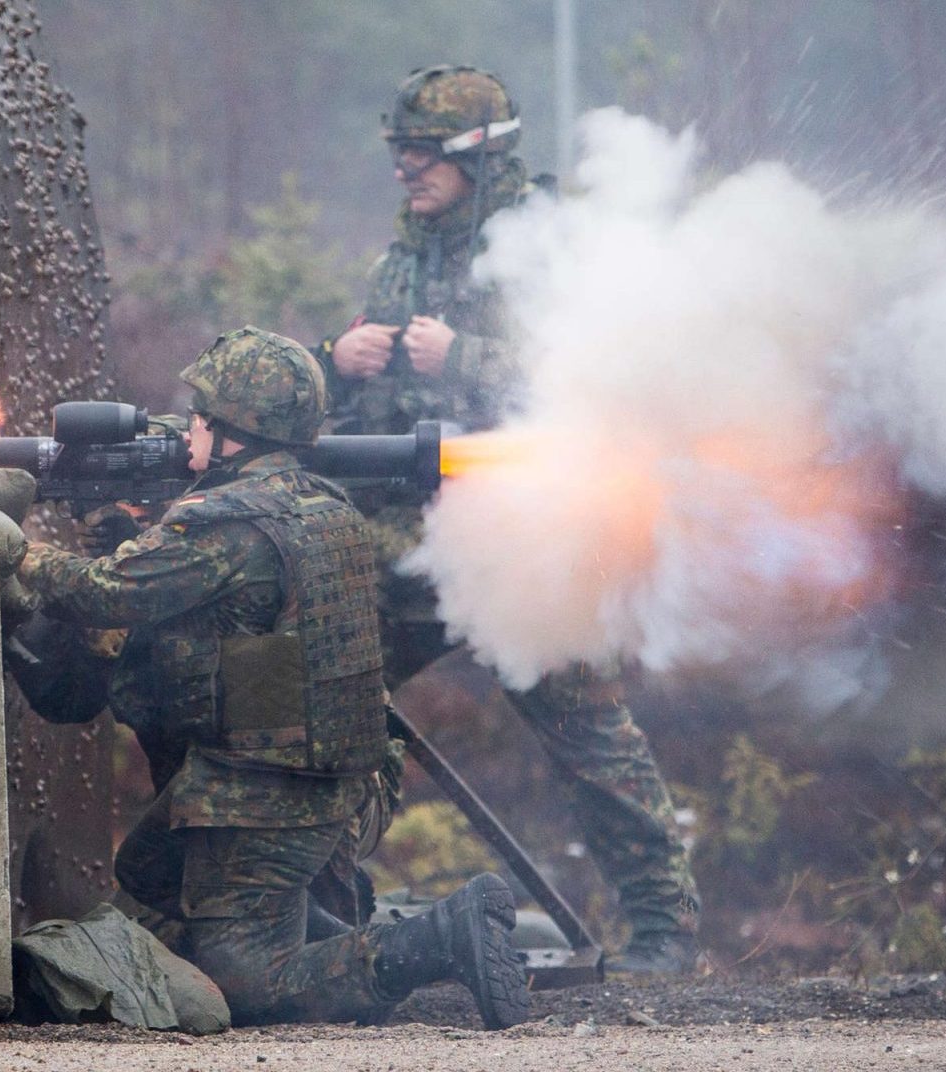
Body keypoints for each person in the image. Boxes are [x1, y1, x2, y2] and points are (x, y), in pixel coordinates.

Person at [16, 326, 530, 1029]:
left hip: (272, 798)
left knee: (244, 984)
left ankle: (436, 940)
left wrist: (20, 553)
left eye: (204, 415)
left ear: (234, 432)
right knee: (151, 872)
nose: (190, 425)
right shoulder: (322, 503)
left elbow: (104, 593)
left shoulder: (221, 525)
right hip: (346, 780)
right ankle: (323, 931)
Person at [317, 65, 703, 974]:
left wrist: (469, 356)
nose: (406, 168)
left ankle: (665, 932)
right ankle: (304, 913)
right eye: (399, 152)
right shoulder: (404, 256)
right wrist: (342, 361)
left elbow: (604, 380)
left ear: (481, 156)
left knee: (589, 734)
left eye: (426, 153)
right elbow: (373, 412)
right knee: (322, 696)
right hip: (413, 536)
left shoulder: (551, 246)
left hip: (528, 534)